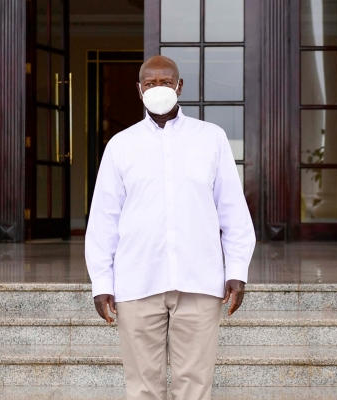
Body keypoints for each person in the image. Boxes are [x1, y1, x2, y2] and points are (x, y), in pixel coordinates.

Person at [85, 55, 256, 400]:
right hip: (137, 283)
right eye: (150, 83)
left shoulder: (211, 139)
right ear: (139, 90)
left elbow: (233, 211)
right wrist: (101, 282)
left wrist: (236, 270)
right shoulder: (121, 146)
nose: (158, 88)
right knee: (143, 387)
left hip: (199, 280)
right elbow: (104, 219)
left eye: (166, 82)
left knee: (195, 386)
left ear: (180, 87)